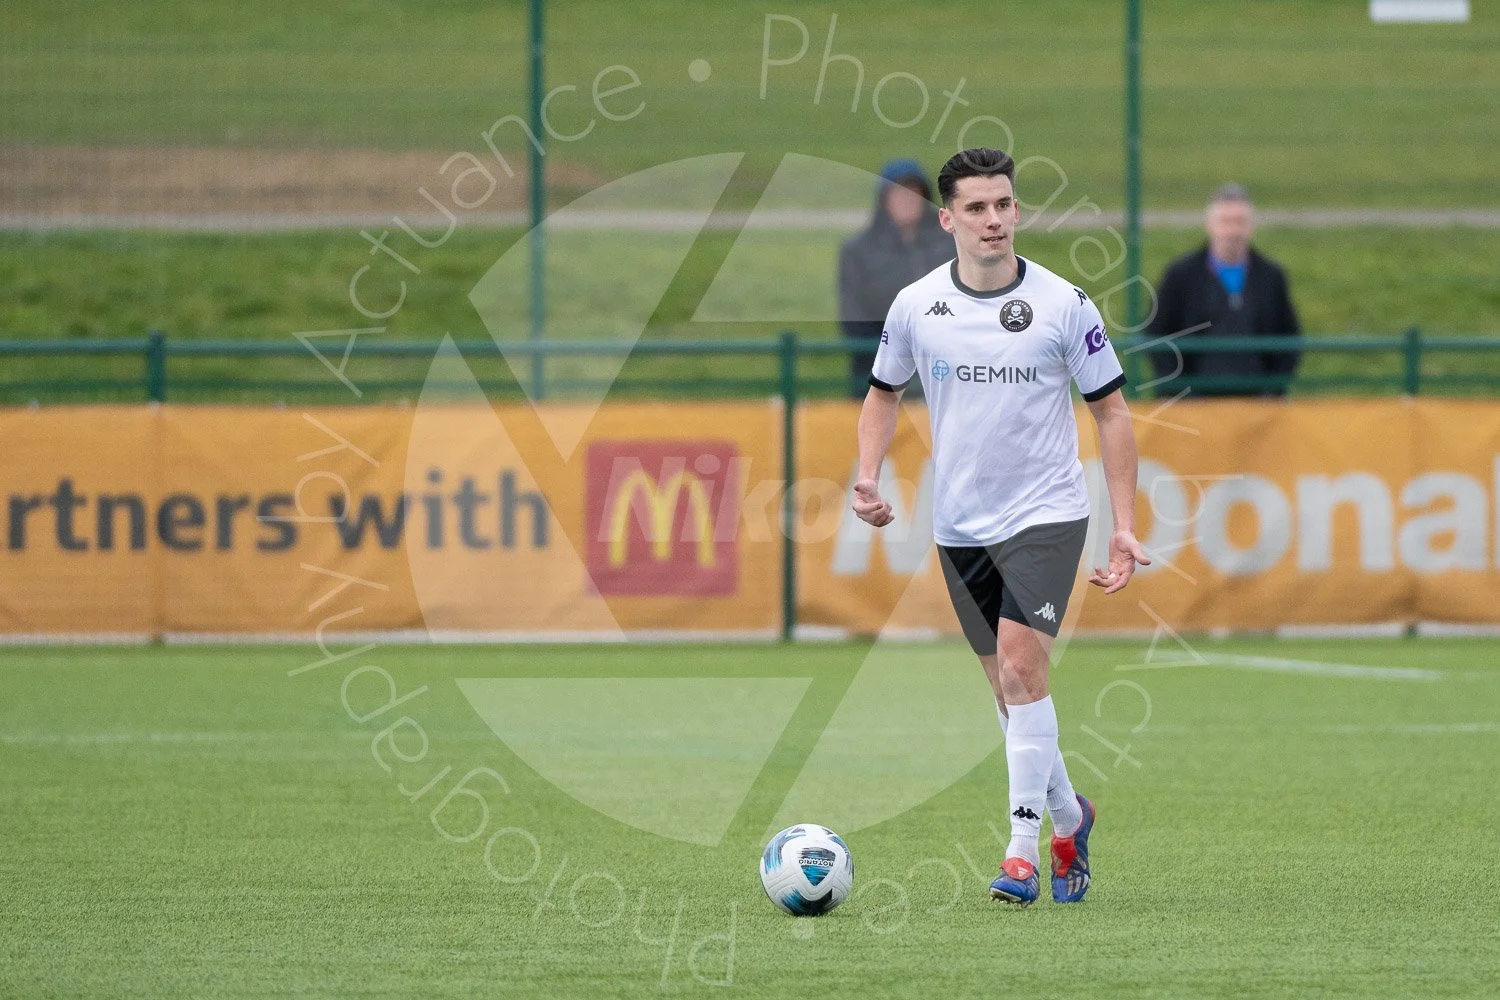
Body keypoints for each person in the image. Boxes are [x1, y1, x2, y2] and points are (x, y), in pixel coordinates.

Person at [851, 148, 1148, 907]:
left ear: (1018, 210)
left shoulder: (1064, 304)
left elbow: (1112, 412)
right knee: (1008, 692)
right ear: (947, 219)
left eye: (1004, 205)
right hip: (960, 524)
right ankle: (1069, 816)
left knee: (1021, 666)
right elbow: (883, 392)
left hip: (1048, 513)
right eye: (976, 208)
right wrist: (867, 472)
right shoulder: (916, 305)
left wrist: (1124, 523)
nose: (993, 220)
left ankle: (1021, 853)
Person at [1145, 184, 1302, 397]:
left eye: (1240, 222)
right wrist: (1179, 392)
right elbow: (1156, 334)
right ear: (1210, 225)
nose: (1233, 231)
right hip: (1194, 403)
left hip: (1256, 402)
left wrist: (1272, 391)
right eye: (1225, 222)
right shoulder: (1181, 275)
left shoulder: (1271, 276)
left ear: (1251, 226)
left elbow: (1289, 338)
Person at [838, 159, 954, 397]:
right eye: (899, 193)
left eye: (914, 193)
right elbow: (853, 318)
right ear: (884, 199)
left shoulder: (951, 245)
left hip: (945, 369)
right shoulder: (858, 251)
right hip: (879, 371)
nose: (907, 200)